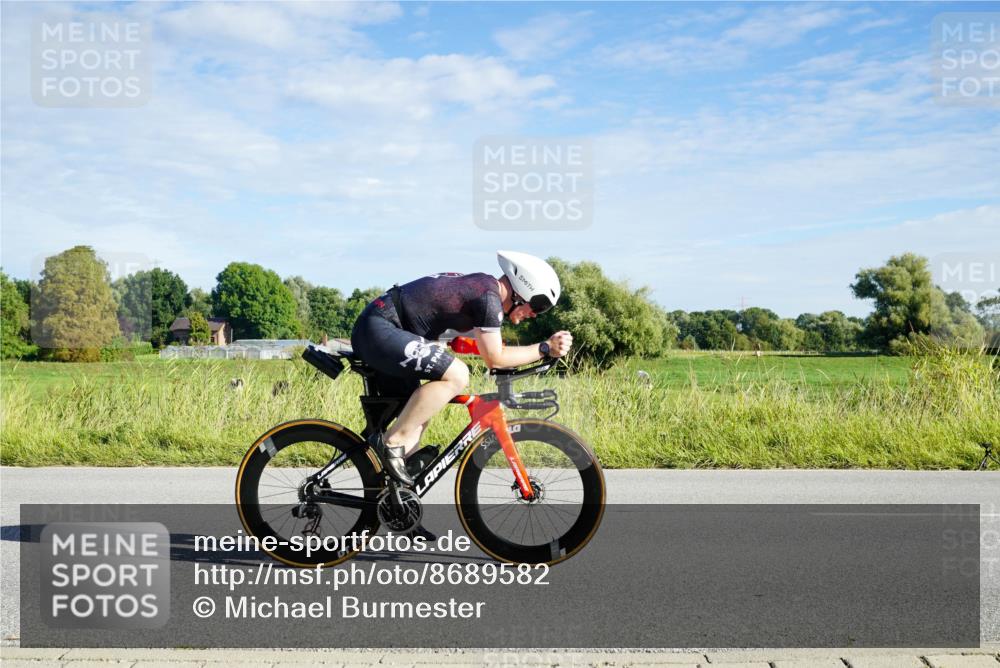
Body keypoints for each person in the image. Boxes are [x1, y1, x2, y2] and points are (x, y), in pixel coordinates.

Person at [350, 250, 572, 487]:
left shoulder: (482, 289)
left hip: (388, 331)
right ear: (523, 289)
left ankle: (400, 508)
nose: (536, 314)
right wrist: (545, 348)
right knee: (458, 375)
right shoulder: (487, 297)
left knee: (419, 414)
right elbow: (495, 358)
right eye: (539, 305)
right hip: (379, 328)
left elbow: (470, 344)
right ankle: (391, 444)